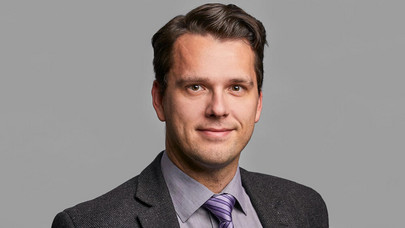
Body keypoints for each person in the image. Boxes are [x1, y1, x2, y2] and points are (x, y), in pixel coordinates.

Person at [52, 3, 328, 228]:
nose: (218, 109)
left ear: (258, 104)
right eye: (195, 87)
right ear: (159, 100)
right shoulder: (89, 224)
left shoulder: (304, 209)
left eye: (236, 87)